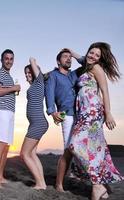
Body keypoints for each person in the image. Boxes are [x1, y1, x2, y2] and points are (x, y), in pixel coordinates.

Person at [68, 42, 123, 200]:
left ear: (100, 59)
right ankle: (101, 187)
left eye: (97, 55)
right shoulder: (87, 65)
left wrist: (108, 113)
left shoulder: (96, 68)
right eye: (91, 53)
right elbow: (82, 58)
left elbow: (105, 91)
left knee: (75, 145)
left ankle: (98, 185)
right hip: (84, 112)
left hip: (93, 110)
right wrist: (71, 51)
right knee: (94, 150)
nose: (92, 56)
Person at [45, 48, 83, 192]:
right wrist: (52, 111)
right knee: (68, 149)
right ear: (58, 61)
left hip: (81, 114)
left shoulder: (74, 75)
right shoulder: (53, 76)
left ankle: (75, 175)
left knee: (79, 148)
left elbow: (87, 63)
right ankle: (59, 184)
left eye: (70, 57)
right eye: (65, 56)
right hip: (66, 115)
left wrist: (73, 53)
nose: (68, 59)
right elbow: (49, 94)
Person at [0, 49, 20, 188]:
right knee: (1, 144)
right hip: (1, 110)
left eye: (11, 59)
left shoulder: (8, 75)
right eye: (6, 58)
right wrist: (13, 88)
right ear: (2, 60)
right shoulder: (0, 73)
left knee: (6, 147)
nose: (9, 61)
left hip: (9, 112)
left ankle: (0, 176)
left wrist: (12, 88)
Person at [20, 57, 49, 189]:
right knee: (32, 154)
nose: (27, 75)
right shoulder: (34, 85)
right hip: (35, 123)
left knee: (24, 154)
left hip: (38, 123)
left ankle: (40, 183)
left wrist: (33, 62)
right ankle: (41, 182)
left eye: (29, 72)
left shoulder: (39, 81)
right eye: (26, 73)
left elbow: (32, 60)